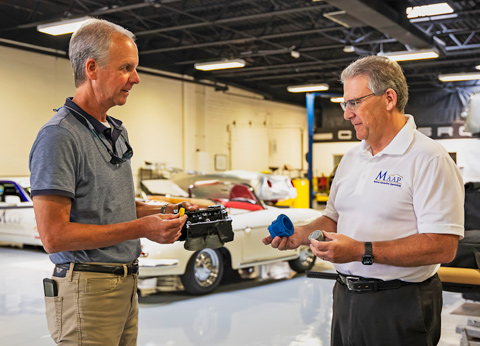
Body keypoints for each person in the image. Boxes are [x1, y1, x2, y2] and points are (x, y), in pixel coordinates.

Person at [263, 55, 464, 346]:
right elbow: (333, 216)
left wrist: (360, 250)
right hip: (346, 295)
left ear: (389, 99)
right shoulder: (352, 157)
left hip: (400, 303)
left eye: (354, 102)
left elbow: (443, 246)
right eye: (345, 104)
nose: (347, 113)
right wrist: (302, 234)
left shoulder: (429, 159)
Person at [29, 18, 194, 345]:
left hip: (125, 284)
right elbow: (54, 236)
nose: (136, 78)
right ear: (91, 68)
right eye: (126, 68)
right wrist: (142, 229)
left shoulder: (113, 132)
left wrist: (161, 210)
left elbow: (111, 205)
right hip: (86, 292)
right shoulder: (59, 137)